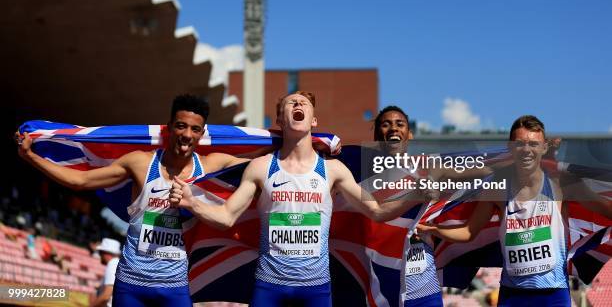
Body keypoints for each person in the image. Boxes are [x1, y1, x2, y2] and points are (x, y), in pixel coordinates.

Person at [170, 91, 422, 307]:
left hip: (316, 289)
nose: (298, 105)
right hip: (269, 287)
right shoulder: (260, 167)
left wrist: (421, 190)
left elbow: (377, 210)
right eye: (291, 103)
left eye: (303, 103)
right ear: (280, 119)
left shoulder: (333, 169)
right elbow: (226, 217)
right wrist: (193, 203)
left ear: (313, 120)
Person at [17, 94, 251, 307]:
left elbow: (260, 169)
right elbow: (80, 180)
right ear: (170, 128)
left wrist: (283, 138)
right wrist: (30, 156)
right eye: (181, 126)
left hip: (175, 287)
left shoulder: (211, 166)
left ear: (202, 133)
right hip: (132, 285)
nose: (187, 135)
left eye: (195, 129)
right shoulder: (141, 164)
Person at [418, 115, 612, 307]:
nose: (526, 150)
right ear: (510, 147)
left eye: (533, 144)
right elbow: (469, 231)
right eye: (520, 144)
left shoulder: (562, 183)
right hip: (513, 296)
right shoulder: (497, 187)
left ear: (544, 147)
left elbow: (605, 209)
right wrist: (432, 229)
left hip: (553, 294)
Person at [373, 106, 444, 307]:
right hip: (383, 290)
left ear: (409, 134)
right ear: (377, 135)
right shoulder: (362, 178)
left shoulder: (429, 169)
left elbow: (477, 170)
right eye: (385, 124)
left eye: (400, 124)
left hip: (424, 290)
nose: (393, 128)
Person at [91, 238, 121, 307]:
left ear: (105, 253)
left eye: (100, 252)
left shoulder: (113, 264)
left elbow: (106, 295)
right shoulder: (117, 263)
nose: (99, 255)